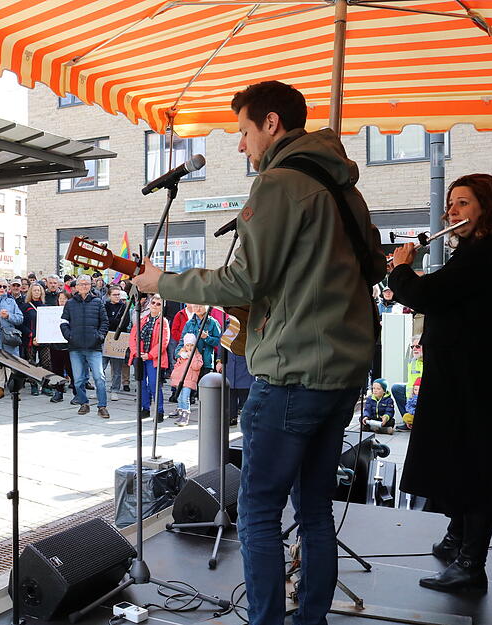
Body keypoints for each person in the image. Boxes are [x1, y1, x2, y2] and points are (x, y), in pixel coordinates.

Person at [131, 81, 386, 625]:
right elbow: (369, 268)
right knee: (314, 508)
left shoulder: (279, 184)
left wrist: (163, 282)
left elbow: (244, 280)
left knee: (257, 512)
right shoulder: (346, 189)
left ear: (271, 123)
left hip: (294, 371)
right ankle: (309, 618)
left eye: (244, 132)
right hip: (342, 372)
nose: (241, 146)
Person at [389, 173, 492, 595]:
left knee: (473, 464)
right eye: (451, 203)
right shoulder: (476, 251)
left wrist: (402, 270)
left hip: (474, 381)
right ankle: (456, 538)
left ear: (486, 206)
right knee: (454, 456)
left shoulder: (488, 252)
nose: (452, 211)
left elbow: (430, 295)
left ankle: (470, 563)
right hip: (460, 376)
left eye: (462, 203)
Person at [60, 274, 109, 418]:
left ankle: (102, 406)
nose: (84, 286)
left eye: (86, 284)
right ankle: (84, 403)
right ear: (76, 286)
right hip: (75, 348)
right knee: (79, 379)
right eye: (81, 284)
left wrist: (99, 337)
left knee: (99, 377)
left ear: (90, 285)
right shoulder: (70, 303)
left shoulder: (97, 302)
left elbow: (105, 322)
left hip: (94, 347)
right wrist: (69, 336)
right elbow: (63, 322)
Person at [128, 293, 170, 421]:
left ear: (162, 307)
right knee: (141, 383)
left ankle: (159, 411)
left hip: (153, 358)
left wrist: (150, 355)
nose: (155, 306)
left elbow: (164, 341)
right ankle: (145, 408)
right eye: (153, 303)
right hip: (140, 356)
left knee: (154, 384)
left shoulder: (163, 321)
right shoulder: (142, 319)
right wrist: (137, 353)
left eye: (158, 304)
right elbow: (133, 337)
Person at [391, 337, 424, 431]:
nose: (414, 349)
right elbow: (410, 384)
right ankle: (408, 422)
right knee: (396, 388)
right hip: (415, 393)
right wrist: (411, 398)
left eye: (418, 346)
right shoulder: (412, 362)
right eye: (413, 347)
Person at [169, 333, 202, 426]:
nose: (190, 347)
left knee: (185, 398)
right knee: (179, 397)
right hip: (180, 380)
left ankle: (185, 415)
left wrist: (192, 356)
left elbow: (196, 366)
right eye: (188, 345)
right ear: (185, 346)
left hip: (189, 380)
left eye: (192, 345)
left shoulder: (197, 356)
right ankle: (180, 413)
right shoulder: (182, 356)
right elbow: (177, 367)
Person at [104, 286, 130, 400]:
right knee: (101, 365)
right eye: (115, 295)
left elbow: (125, 322)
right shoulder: (105, 306)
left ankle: (115, 389)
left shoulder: (124, 307)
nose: (117, 297)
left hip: (119, 338)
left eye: (118, 294)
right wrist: (115, 321)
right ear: (109, 296)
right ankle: (100, 388)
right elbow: (104, 320)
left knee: (117, 367)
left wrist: (113, 321)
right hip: (106, 337)